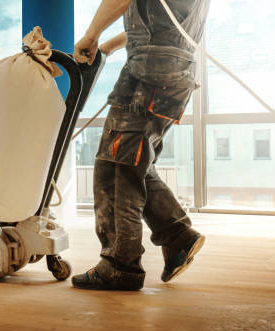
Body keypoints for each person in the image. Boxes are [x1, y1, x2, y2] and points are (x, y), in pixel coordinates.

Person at [71, 0, 211, 290]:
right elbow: (161, 19)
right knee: (135, 162)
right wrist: (109, 44)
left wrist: (91, 35)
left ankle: (119, 266)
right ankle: (177, 236)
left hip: (149, 75)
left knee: (114, 169)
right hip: (177, 73)